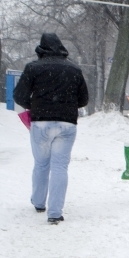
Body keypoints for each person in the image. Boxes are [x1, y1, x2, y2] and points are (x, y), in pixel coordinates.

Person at [13, 33, 89, 225]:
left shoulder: (33, 68)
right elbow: (84, 100)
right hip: (67, 123)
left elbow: (19, 96)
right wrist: (66, 104)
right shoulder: (74, 69)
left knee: (41, 163)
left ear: (41, 49)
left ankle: (39, 202)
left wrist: (36, 105)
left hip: (41, 122)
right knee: (60, 166)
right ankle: (55, 212)